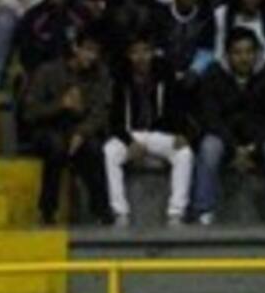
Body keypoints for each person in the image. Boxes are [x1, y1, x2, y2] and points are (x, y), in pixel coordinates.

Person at [194, 26, 265, 225]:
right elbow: (210, 118)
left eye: (249, 52)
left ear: (257, 53)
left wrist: (253, 147)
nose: (244, 58)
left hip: (260, 136)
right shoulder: (213, 75)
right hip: (224, 137)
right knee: (208, 148)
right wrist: (235, 148)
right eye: (238, 52)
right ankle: (204, 212)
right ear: (227, 55)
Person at [23, 24, 113, 226]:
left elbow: (101, 112)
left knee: (93, 149)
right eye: (88, 50)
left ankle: (102, 211)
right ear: (76, 48)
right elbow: (30, 112)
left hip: (78, 131)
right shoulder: (48, 71)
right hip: (47, 129)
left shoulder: (101, 75)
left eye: (96, 52)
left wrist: (82, 132)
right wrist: (60, 105)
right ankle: (47, 211)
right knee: (55, 147)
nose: (92, 57)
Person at [104, 31, 196, 226]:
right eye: (135, 53)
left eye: (146, 52)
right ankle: (120, 212)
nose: (141, 57)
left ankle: (176, 212)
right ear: (128, 55)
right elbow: (114, 119)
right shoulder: (119, 77)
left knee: (184, 153)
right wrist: (130, 142)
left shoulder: (165, 73)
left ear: (153, 53)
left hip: (158, 135)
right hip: (130, 134)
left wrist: (181, 133)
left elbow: (177, 109)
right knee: (109, 151)